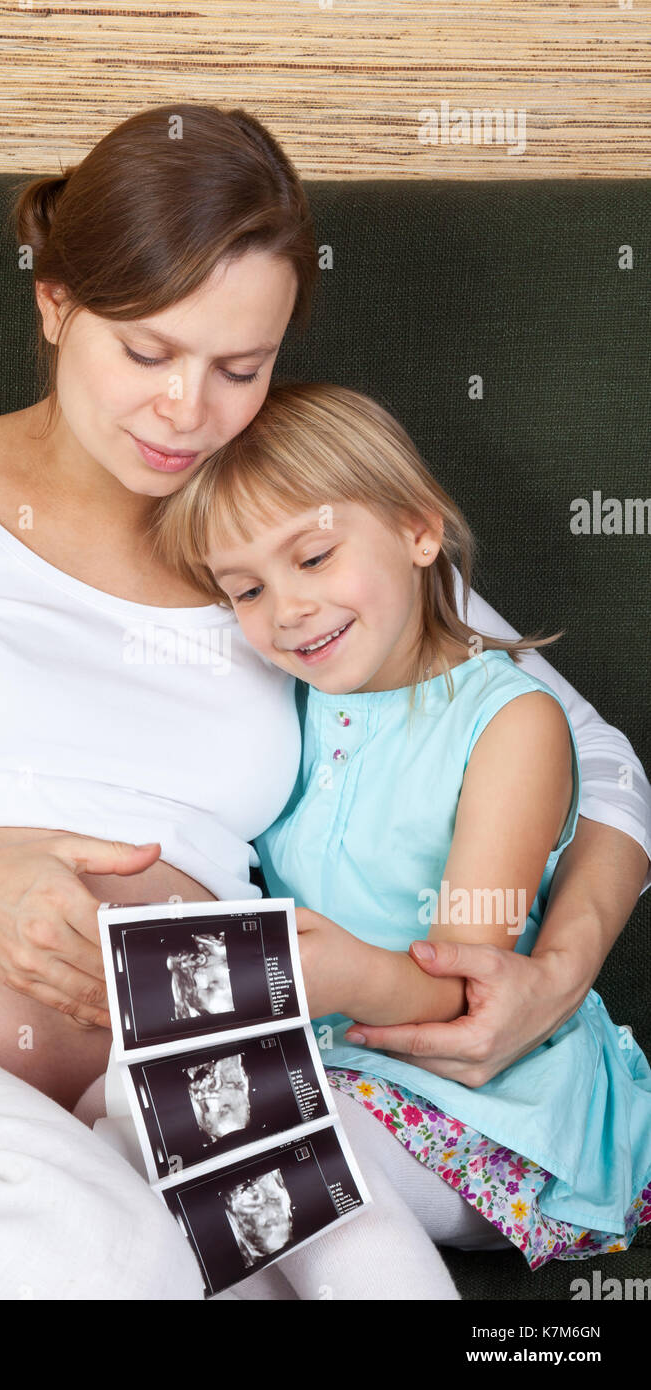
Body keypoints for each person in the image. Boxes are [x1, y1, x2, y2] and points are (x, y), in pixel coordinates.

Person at [0, 103, 647, 1301]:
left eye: (239, 368)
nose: (186, 413)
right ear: (54, 304)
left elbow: (589, 750)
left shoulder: (295, 542)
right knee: (100, 1260)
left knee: (166, 1251)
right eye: (147, 353)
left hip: (135, 1093)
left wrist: (550, 977)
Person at [152, 380, 651, 1284]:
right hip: (333, 1069)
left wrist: (346, 977)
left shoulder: (509, 724)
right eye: (248, 589)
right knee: (146, 1137)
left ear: (420, 533)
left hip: (488, 1101)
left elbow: (471, 994)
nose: (286, 610)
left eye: (314, 557)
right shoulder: (290, 708)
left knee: (281, 1149)